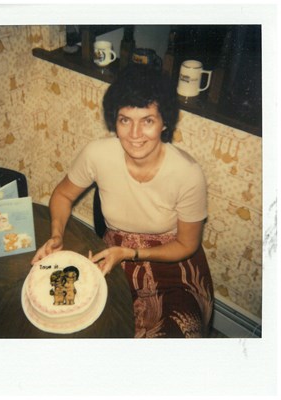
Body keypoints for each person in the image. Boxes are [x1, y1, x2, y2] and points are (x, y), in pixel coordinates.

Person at [31, 64, 213, 338]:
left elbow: (186, 244)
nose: (135, 134)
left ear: (164, 122)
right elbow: (63, 195)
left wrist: (132, 253)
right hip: (114, 256)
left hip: (172, 264)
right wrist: (57, 235)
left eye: (147, 121)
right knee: (94, 333)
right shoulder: (97, 154)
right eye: (125, 120)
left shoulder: (188, 173)